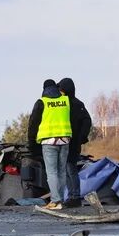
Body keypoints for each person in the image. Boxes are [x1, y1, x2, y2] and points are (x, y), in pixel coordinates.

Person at [28, 79, 73, 210]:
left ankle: (55, 201)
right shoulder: (65, 100)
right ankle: (60, 200)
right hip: (65, 140)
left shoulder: (42, 102)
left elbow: (33, 124)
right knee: (62, 171)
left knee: (52, 172)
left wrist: (31, 143)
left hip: (49, 142)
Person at [58, 78, 92, 208]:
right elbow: (87, 120)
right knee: (68, 169)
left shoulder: (72, 104)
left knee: (70, 169)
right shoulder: (76, 103)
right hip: (70, 141)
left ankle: (75, 196)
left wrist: (81, 137)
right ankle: (72, 196)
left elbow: (87, 121)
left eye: (61, 89)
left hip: (71, 142)